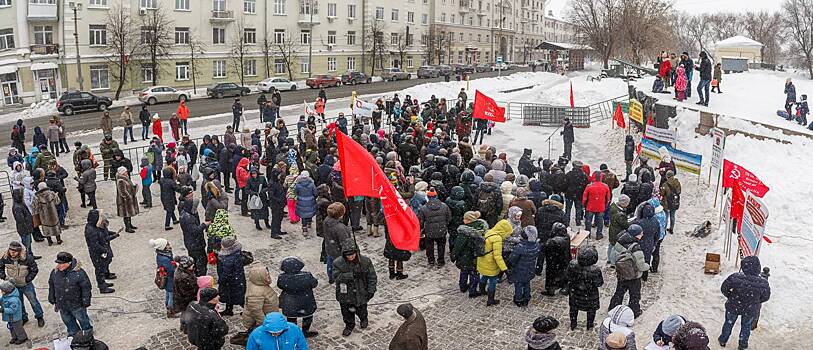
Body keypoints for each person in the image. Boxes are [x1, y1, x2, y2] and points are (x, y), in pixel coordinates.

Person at [718, 255, 771, 349]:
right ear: (758, 267)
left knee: (728, 323)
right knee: (746, 327)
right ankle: (742, 345)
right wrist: (755, 301)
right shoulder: (763, 283)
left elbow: (724, 288)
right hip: (750, 310)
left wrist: (731, 297)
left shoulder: (735, 277)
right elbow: (765, 297)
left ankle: (723, 340)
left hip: (733, 306)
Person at [333, 244, 378, 337]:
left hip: (361, 291)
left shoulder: (365, 261)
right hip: (345, 294)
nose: (350, 257)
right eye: (348, 255)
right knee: (346, 312)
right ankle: (349, 326)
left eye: (352, 254)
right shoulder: (337, 263)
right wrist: (351, 275)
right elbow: (336, 277)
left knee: (362, 309)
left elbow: (372, 277)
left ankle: (363, 319)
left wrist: (371, 290)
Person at [48, 252, 93, 336]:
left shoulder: (79, 273)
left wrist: (86, 301)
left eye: (62, 264)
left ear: (69, 263)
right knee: (69, 322)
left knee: (83, 321)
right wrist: (52, 298)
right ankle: (74, 335)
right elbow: (51, 286)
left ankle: (87, 335)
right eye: (58, 263)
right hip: (62, 305)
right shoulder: (54, 273)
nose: (59, 266)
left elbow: (86, 288)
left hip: (77, 305)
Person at [0, 241, 45, 327]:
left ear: (19, 251)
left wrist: (27, 279)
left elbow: (34, 270)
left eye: (14, 252)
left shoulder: (27, 258)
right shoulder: (5, 258)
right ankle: (24, 317)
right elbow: (0, 268)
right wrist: (4, 276)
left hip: (26, 285)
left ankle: (39, 317)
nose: (12, 253)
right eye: (11, 251)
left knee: (33, 301)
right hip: (13, 286)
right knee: (19, 303)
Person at [608, 225, 648, 317]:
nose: (642, 235)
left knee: (619, 292)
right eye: (640, 234)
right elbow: (641, 266)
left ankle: (613, 307)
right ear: (636, 235)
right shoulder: (636, 248)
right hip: (633, 276)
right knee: (634, 295)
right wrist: (647, 266)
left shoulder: (619, 242)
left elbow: (613, 258)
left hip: (621, 273)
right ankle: (634, 311)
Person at [277, 256, 319, 338]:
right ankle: (305, 331)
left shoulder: (282, 278)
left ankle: (293, 332)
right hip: (306, 301)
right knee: (307, 316)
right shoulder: (307, 276)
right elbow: (314, 284)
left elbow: (280, 286)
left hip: (290, 302)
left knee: (291, 318)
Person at [567, 246, 603, 330]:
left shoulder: (572, 264)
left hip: (575, 292)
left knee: (573, 308)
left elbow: (568, 276)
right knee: (591, 310)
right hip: (590, 295)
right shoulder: (595, 270)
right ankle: (589, 325)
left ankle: (573, 323)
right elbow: (599, 283)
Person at [477, 219, 510, 306]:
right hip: (490, 263)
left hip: (482, 260)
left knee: (484, 275)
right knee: (492, 281)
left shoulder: (489, 232)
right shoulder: (497, 239)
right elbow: (497, 256)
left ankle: (482, 290)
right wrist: (504, 268)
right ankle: (490, 300)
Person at [84, 209, 117, 294]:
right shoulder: (90, 230)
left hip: (99, 251)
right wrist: (104, 250)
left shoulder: (93, 226)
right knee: (99, 270)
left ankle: (103, 283)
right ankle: (102, 287)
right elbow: (94, 245)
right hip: (96, 254)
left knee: (102, 268)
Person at [417, 188, 452, 266]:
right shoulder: (444, 206)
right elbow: (449, 218)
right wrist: (444, 224)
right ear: (436, 196)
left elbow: (421, 221)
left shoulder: (423, 208)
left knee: (429, 247)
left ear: (428, 197)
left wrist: (421, 230)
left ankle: (431, 260)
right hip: (441, 230)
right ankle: (441, 261)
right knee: (441, 246)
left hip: (429, 231)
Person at [242, 264, 280, 335]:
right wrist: (265, 323)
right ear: (259, 277)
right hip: (260, 322)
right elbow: (256, 311)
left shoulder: (261, 284)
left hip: (269, 317)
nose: (268, 276)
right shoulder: (255, 292)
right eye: (266, 274)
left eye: (268, 273)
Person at [508, 226, 540, 307]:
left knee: (518, 285)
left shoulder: (521, 247)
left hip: (519, 270)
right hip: (530, 269)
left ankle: (518, 299)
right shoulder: (536, 245)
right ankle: (526, 298)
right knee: (527, 284)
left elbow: (512, 258)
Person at [217, 236, 246, 316]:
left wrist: (221, 281)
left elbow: (226, 274)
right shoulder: (236, 252)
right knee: (236, 296)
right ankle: (229, 310)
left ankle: (247, 312)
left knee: (232, 296)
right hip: (237, 279)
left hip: (231, 282)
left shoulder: (227, 259)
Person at [150, 238, 177, 318]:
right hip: (169, 279)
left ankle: (168, 306)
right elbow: (171, 270)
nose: (169, 245)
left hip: (167, 278)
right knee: (171, 294)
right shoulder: (165, 258)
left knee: (168, 293)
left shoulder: (161, 255)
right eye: (167, 244)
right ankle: (170, 310)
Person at [543, 222, 571, 296]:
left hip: (553, 262)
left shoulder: (552, 242)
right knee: (562, 274)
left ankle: (550, 290)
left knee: (551, 276)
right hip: (564, 260)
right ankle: (562, 286)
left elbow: (546, 251)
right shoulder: (567, 237)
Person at [583, 171, 610, 239]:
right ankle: (599, 234)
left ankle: (588, 234)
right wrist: (605, 205)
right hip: (600, 206)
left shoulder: (589, 186)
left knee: (588, 221)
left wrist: (584, 205)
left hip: (590, 206)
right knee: (600, 221)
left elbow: (585, 197)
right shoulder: (605, 186)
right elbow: (608, 198)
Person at [1, 279, 28, 345]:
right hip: (10, 318)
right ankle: (15, 337)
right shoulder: (5, 296)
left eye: (2, 290)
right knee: (12, 328)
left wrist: (3, 310)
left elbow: (12, 310)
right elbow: (1, 301)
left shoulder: (14, 300)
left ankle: (22, 338)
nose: (1, 292)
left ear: (7, 291)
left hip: (16, 318)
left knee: (18, 329)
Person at [607, 195, 630, 264]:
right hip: (617, 232)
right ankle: (613, 262)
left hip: (613, 230)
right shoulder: (619, 214)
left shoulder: (614, 208)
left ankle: (609, 259)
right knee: (615, 247)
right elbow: (625, 225)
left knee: (611, 245)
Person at [116, 166, 139, 233]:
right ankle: (127, 227)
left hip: (128, 199)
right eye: (125, 171)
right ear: (122, 173)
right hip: (124, 201)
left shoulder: (125, 178)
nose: (126, 172)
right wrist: (129, 197)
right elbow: (123, 192)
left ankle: (130, 225)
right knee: (126, 214)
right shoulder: (121, 181)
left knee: (129, 213)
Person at [565, 161, 588, 226]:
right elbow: (586, 185)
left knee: (568, 209)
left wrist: (566, 190)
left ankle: (567, 221)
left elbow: (565, 184)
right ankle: (578, 221)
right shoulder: (584, 175)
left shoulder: (568, 174)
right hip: (579, 195)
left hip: (569, 194)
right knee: (578, 208)